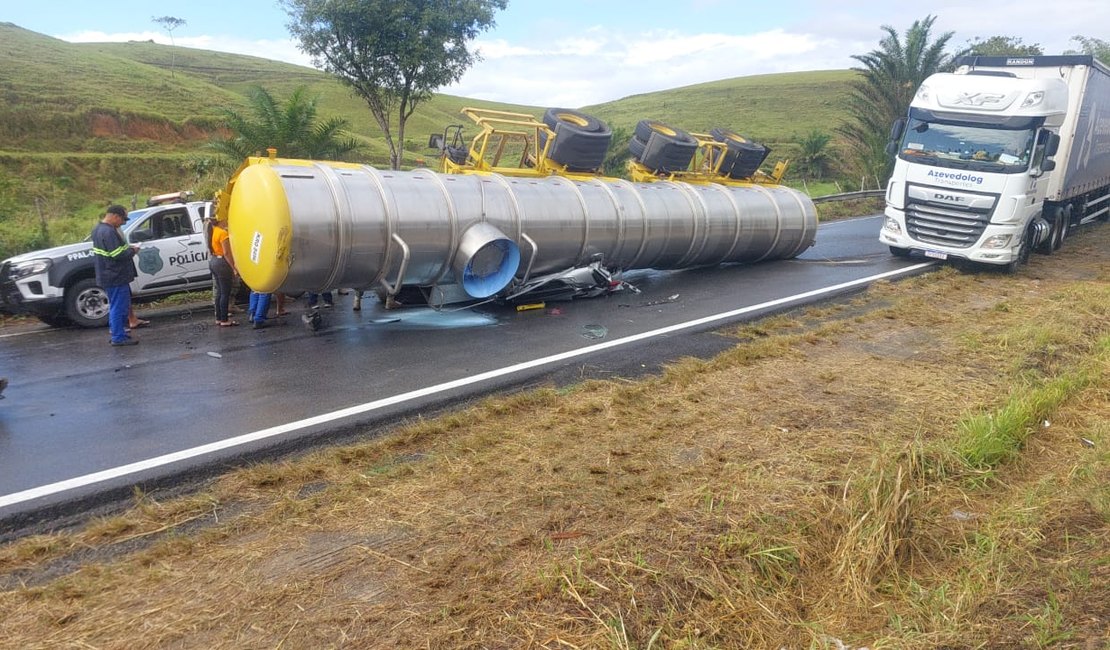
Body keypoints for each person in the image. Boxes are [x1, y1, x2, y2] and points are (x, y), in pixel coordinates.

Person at [91, 204, 140, 346]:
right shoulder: (109, 232)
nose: (122, 223)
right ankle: (118, 337)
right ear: (115, 216)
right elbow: (117, 254)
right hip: (115, 275)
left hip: (108, 274)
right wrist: (133, 251)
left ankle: (117, 332)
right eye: (122, 219)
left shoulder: (98, 229)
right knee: (119, 306)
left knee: (115, 305)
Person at [208, 214, 239, 326]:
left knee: (219, 292)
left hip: (214, 261)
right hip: (222, 263)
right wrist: (233, 267)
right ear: (221, 220)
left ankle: (219, 318)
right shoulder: (223, 233)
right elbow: (226, 253)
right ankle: (224, 319)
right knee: (225, 292)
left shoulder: (213, 230)